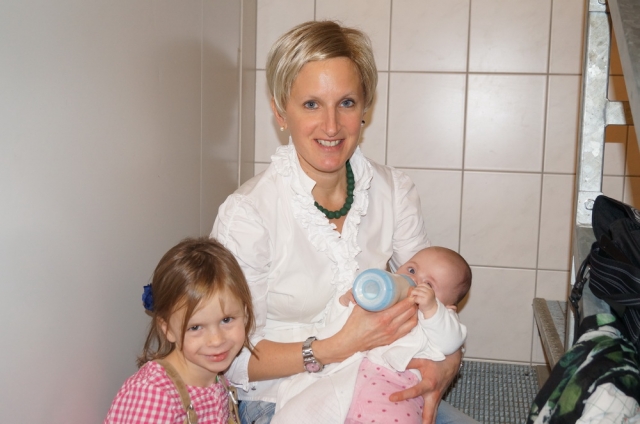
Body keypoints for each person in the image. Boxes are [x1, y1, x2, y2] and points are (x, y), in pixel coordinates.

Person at [212, 20, 476, 424]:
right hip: (280, 399)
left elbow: (432, 294)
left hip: (379, 384)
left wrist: (447, 363)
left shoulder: (394, 192)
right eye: (311, 104)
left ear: (365, 107)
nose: (332, 126)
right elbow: (229, 358)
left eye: (347, 103)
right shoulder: (248, 215)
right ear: (280, 111)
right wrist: (335, 346)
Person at [272, 246, 472, 423]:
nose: (414, 281)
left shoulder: (438, 320)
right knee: (304, 411)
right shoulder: (379, 302)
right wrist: (344, 304)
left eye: (429, 285)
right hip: (345, 383)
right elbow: (334, 329)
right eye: (411, 270)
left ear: (448, 307)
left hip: (393, 391)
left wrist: (432, 310)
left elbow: (451, 342)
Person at [104, 237, 256, 424]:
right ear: (167, 328)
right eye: (195, 327)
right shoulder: (154, 395)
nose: (216, 340)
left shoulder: (218, 380)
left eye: (226, 320)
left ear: (245, 314)